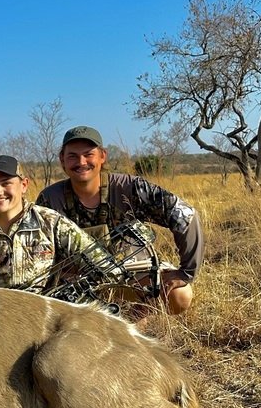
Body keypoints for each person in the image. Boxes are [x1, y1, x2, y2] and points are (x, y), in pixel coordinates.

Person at [37, 126, 203, 314]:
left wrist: (186, 272)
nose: (81, 162)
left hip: (133, 275)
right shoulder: (49, 198)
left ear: (102, 156)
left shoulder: (130, 187)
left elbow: (185, 214)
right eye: (73, 156)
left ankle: (141, 317)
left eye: (88, 154)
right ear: (62, 159)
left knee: (180, 296)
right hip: (79, 284)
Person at [0, 155, 121, 293]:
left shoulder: (51, 222)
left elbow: (107, 268)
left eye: (6, 183)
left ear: (24, 185)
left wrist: (72, 284)